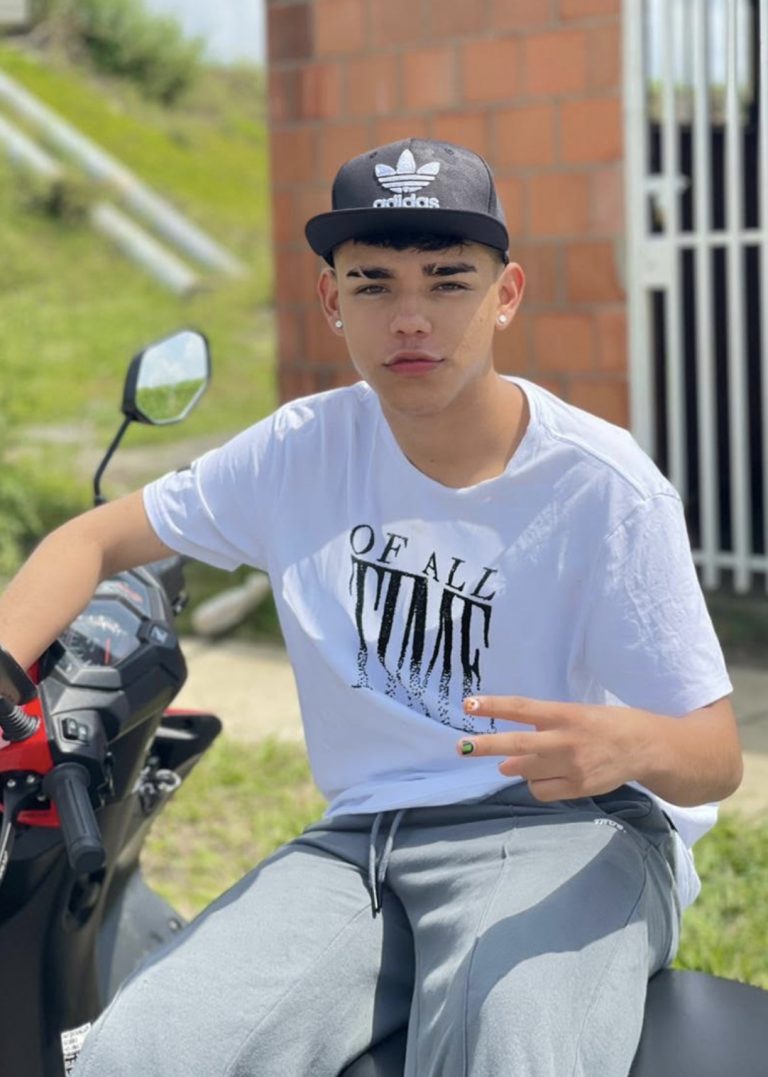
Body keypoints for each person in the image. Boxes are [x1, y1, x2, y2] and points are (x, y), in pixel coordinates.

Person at [0, 138, 741, 1076]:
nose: (411, 318)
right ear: (331, 301)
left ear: (506, 294)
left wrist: (625, 744)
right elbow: (92, 539)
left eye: (448, 281)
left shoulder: (602, 485)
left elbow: (715, 756)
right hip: (361, 841)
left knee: (509, 1047)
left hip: (570, 827)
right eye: (374, 284)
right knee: (140, 1053)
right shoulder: (301, 450)